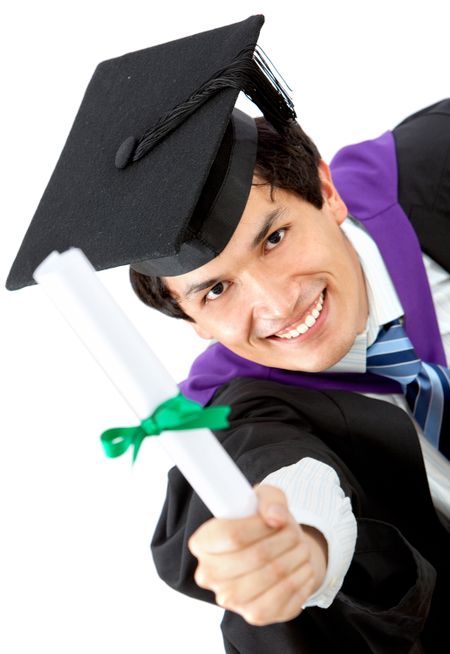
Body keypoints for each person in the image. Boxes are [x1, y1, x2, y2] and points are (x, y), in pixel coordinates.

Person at [6, 14, 450, 654]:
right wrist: (296, 543)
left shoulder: (432, 171)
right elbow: (275, 474)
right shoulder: (235, 412)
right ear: (190, 320)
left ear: (325, 190)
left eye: (275, 238)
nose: (276, 304)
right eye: (215, 289)